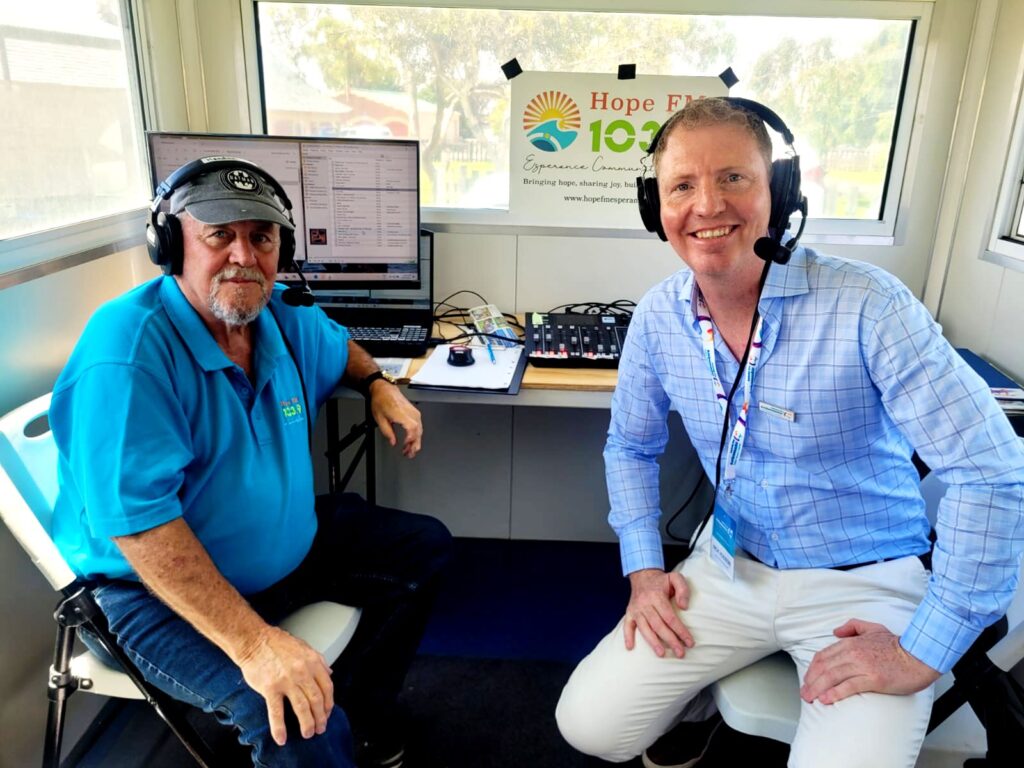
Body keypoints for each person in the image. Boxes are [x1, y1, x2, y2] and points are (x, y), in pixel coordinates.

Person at [555, 97, 1024, 767]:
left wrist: (923, 647)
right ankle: (701, 698)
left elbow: (992, 469)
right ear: (653, 207)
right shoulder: (659, 316)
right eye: (682, 185)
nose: (707, 205)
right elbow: (630, 446)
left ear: (780, 193)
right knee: (590, 727)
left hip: (865, 582)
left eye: (734, 178)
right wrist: (643, 568)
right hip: (727, 568)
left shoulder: (868, 305)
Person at [49, 158, 452, 768]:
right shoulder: (127, 352)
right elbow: (141, 528)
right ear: (169, 245)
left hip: (282, 554)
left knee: (425, 548)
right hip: (154, 593)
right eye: (219, 235)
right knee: (297, 718)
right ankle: (324, 729)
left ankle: (361, 722)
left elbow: (341, 345)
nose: (244, 255)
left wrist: (376, 384)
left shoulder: (278, 315)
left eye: (260, 237)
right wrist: (256, 644)